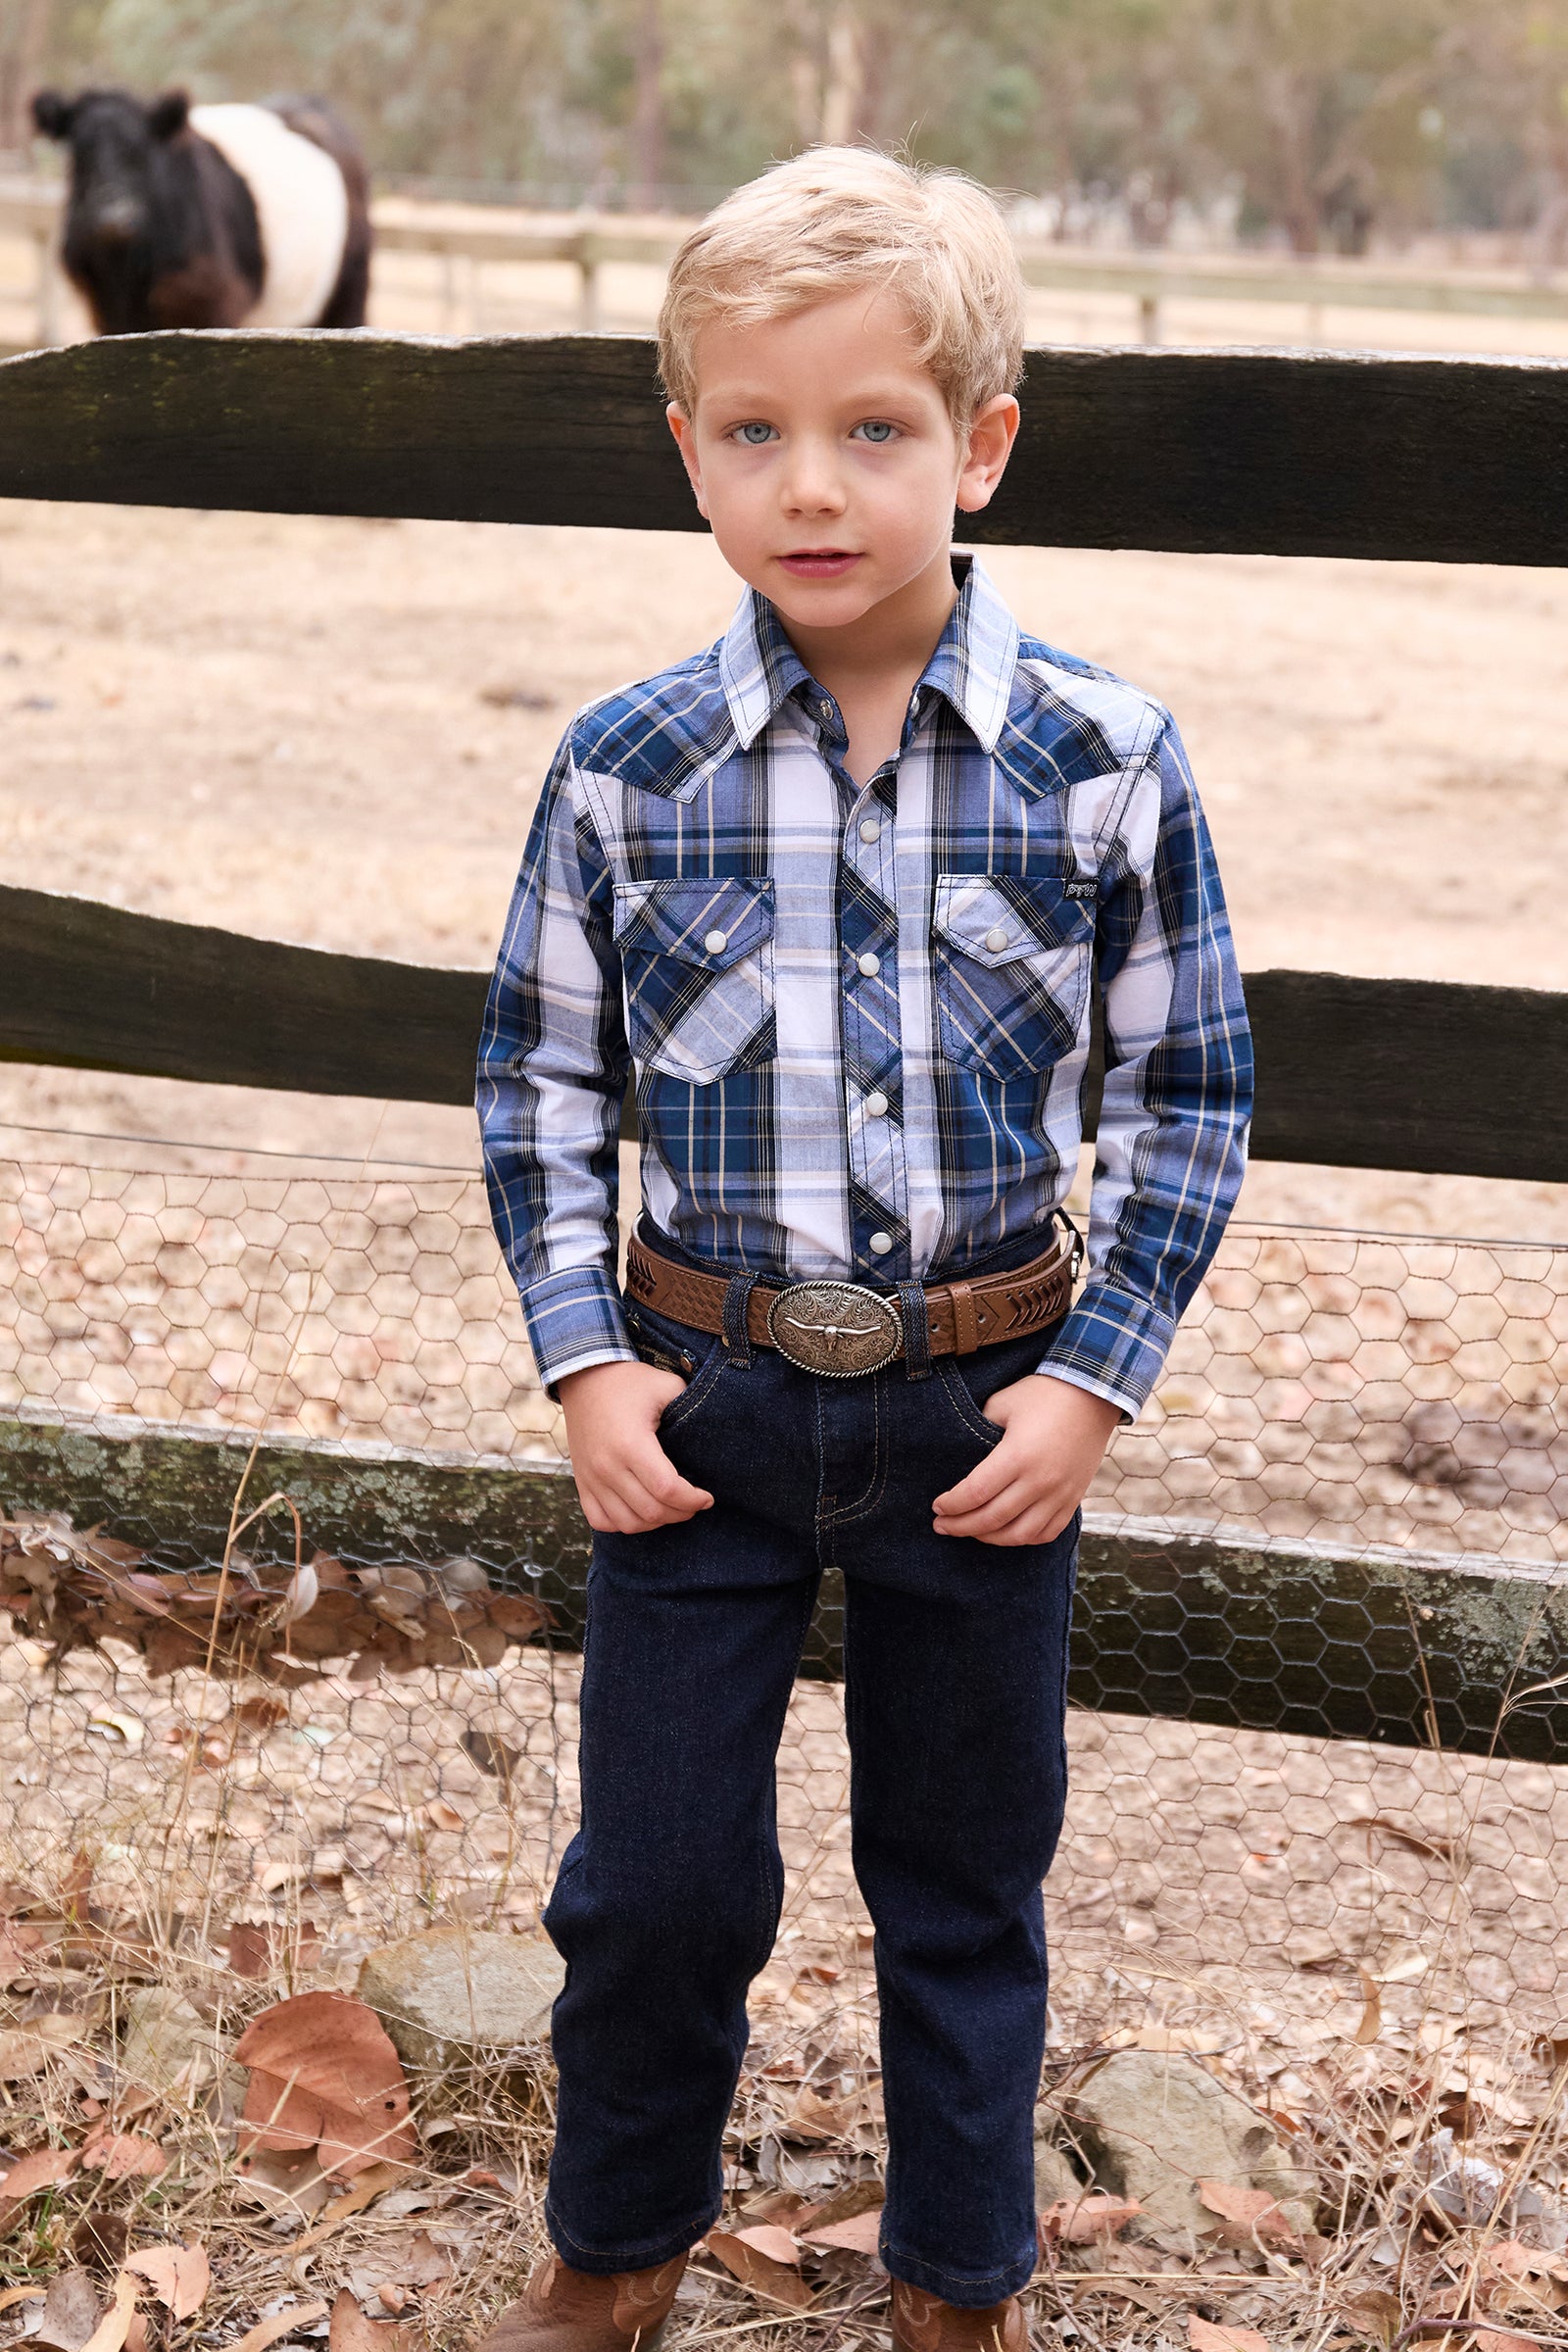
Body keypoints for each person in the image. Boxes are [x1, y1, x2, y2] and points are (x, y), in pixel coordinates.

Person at [474, 145, 1251, 2352]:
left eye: (874, 428)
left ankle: (956, 2286)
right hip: (697, 1408)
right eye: (753, 430)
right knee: (655, 1884)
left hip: (987, 1411)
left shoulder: (1101, 761)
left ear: (979, 445)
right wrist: (586, 1363)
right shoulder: (625, 771)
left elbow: (1187, 1090)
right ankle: (611, 2254)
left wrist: (1091, 1382)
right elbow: (537, 1083)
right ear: (686, 450)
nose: (810, 485)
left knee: (963, 1881)